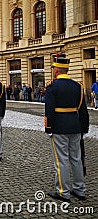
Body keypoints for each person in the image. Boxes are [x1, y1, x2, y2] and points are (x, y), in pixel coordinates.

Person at [44, 54, 89, 202]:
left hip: (59, 127)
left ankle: (63, 192)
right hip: (75, 126)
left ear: (57, 70)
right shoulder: (78, 86)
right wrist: (84, 127)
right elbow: (83, 109)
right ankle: (80, 189)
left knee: (61, 160)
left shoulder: (52, 86)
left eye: (54, 68)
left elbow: (49, 110)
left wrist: (48, 127)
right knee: (76, 158)